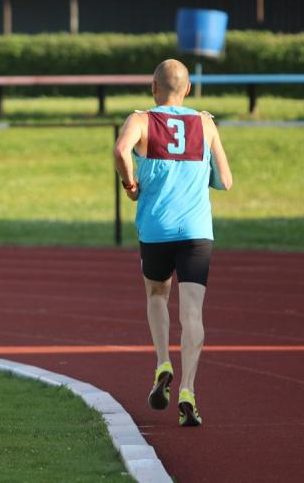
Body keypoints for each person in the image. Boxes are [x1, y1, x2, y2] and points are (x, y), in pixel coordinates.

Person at [113, 59, 233, 427]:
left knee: (156, 295)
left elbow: (120, 151)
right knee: (193, 313)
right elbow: (226, 181)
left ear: (153, 88)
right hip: (197, 231)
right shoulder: (205, 123)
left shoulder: (141, 120)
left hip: (157, 229)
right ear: (189, 89)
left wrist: (130, 184)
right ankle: (188, 391)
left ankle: (163, 362)